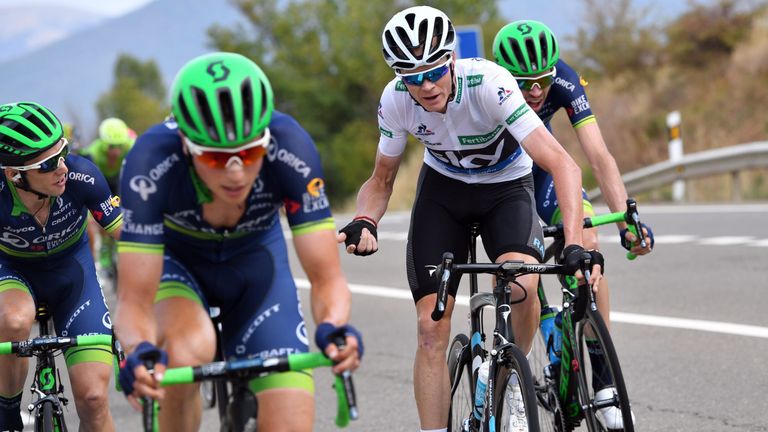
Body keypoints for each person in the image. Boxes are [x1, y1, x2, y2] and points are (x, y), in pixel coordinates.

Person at [337, 6, 602, 432]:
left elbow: (563, 165)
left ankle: (510, 382)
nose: (424, 85)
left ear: (452, 60)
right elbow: (381, 179)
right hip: (445, 195)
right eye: (411, 76)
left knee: (521, 285)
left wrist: (572, 243)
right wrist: (365, 219)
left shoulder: (490, 85)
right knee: (430, 327)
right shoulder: (396, 101)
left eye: (433, 71)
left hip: (506, 190)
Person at [114, 52, 363, 432]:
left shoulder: (291, 146)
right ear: (185, 143)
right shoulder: (149, 161)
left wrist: (334, 326)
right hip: (179, 266)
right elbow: (134, 300)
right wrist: (139, 351)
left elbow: (327, 277)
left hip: (256, 264)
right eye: (215, 158)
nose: (236, 171)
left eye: (249, 153)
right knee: (185, 354)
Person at [492, 20, 655, 428]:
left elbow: (598, 156)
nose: (534, 91)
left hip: (544, 173)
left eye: (542, 81)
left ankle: (603, 384)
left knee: (587, 242)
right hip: (498, 184)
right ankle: (517, 373)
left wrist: (627, 222)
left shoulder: (562, 79)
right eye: (524, 82)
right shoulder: (487, 85)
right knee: (523, 277)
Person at [0, 102, 121, 431]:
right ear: (14, 175)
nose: (63, 167)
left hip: (73, 273)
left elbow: (131, 238)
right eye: (49, 163)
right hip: (13, 273)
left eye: (63, 153)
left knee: (95, 399)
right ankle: (8, 415)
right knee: (13, 320)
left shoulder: (82, 175)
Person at [79, 117, 136, 280]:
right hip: (100, 181)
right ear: (103, 143)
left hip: (121, 180)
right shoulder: (93, 152)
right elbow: (89, 185)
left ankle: (124, 255)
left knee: (126, 218)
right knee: (103, 224)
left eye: (120, 146)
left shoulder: (131, 145)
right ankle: (104, 260)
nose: (116, 151)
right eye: (111, 146)